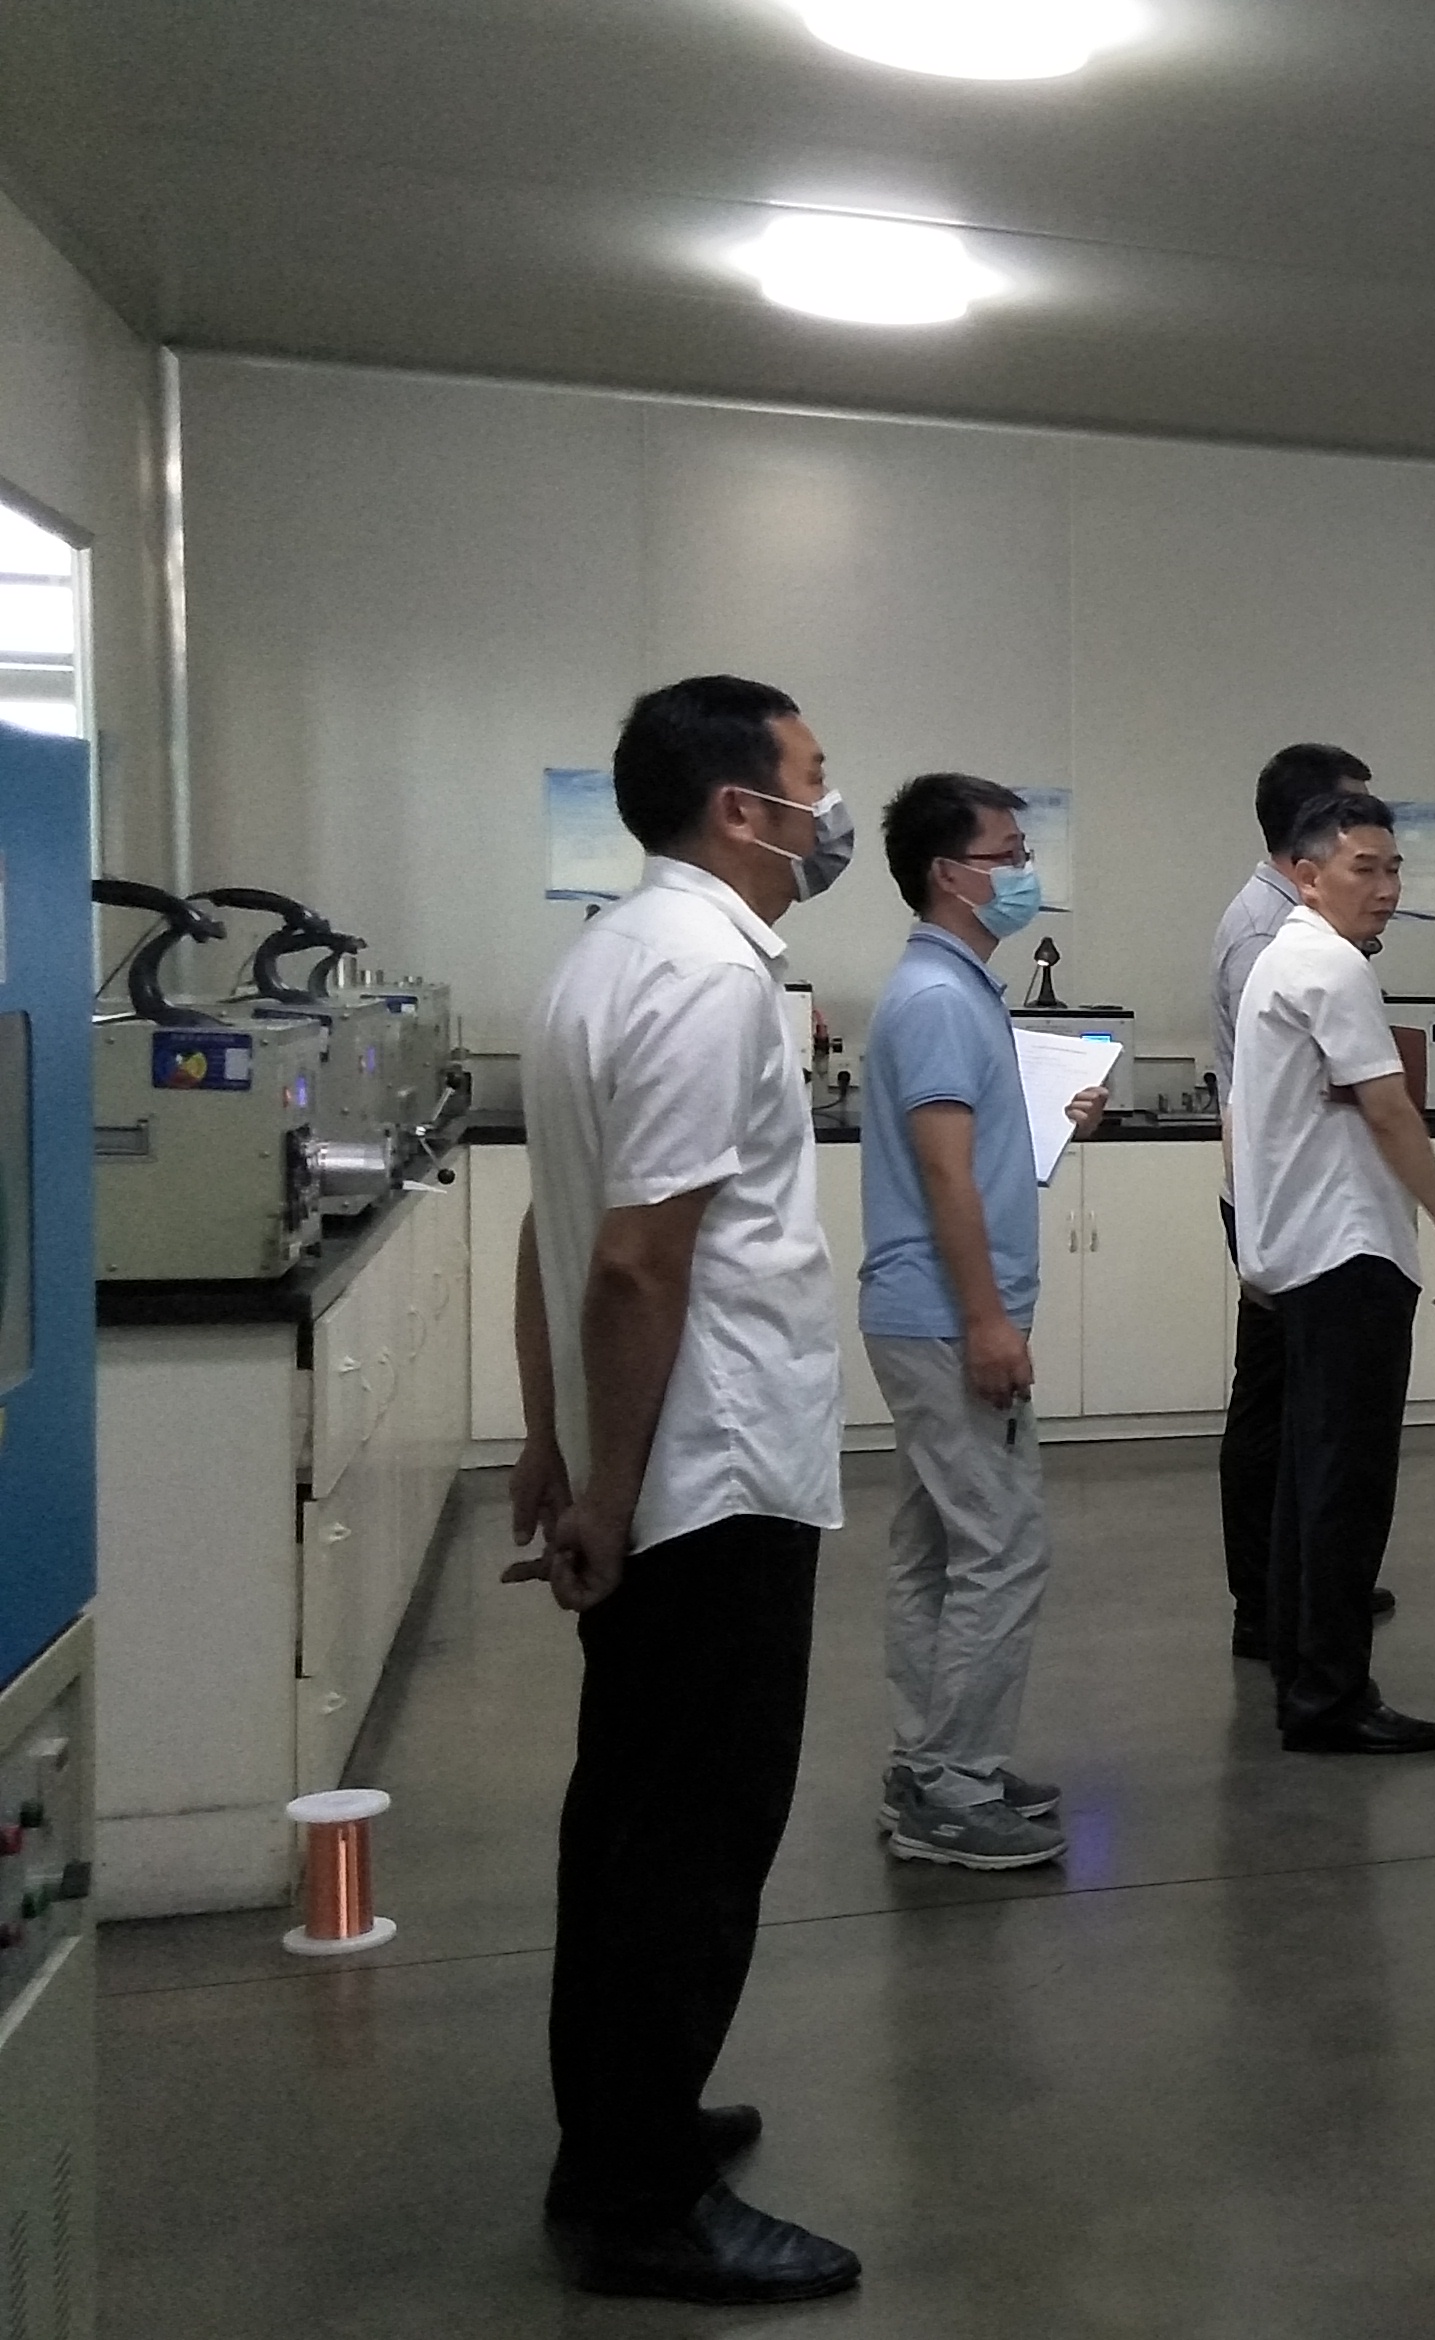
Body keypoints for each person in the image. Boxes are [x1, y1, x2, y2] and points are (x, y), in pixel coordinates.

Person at [503, 674, 862, 2303]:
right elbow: (636, 1262)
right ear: (741, 807)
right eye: (812, 778)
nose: (827, 808)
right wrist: (608, 1490)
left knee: (629, 1824)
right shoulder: (714, 979)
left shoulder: (604, 958)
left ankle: (623, 2127)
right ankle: (639, 2202)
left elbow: (556, 1223)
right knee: (693, 1850)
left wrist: (553, 1438)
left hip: (652, 1465)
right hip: (707, 1482)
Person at [855, 772, 1105, 1870]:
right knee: (1003, 1548)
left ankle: (930, 1761)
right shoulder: (939, 1001)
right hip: (948, 1318)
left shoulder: (953, 992)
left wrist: (1047, 1123)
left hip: (926, 1309)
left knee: (938, 1546)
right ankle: (950, 1785)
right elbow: (946, 1176)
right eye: (1008, 855)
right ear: (949, 875)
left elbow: (974, 1156)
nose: (1024, 873)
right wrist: (989, 1322)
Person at [1230, 793, 1435, 1752]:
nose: (1385, 888)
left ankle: (1306, 1676)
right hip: (1348, 1253)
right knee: (1347, 1485)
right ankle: (1331, 1697)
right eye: (1363, 869)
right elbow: (1387, 1107)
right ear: (1306, 875)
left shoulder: (1279, 960)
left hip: (1300, 1253)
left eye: (1393, 869)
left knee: (1310, 1480)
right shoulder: (1332, 967)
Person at [1211, 742, 1382, 1661]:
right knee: (1278, 1406)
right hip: (1278, 1199)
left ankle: (1307, 1579)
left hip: (1293, 1194)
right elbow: (1270, 1090)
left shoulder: (1301, 925)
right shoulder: (1267, 936)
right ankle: (1267, 1599)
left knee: (1307, 1405)